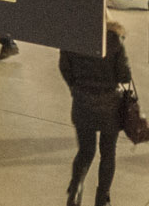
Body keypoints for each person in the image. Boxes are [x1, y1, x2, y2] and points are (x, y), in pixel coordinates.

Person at [60, 19, 133, 206]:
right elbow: (124, 75)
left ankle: (75, 191)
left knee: (85, 152)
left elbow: (64, 68)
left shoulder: (72, 40)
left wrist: (75, 88)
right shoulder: (113, 41)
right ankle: (102, 198)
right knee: (108, 154)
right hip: (109, 107)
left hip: (82, 105)